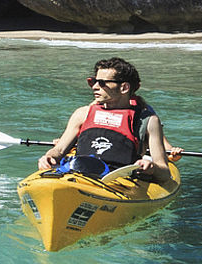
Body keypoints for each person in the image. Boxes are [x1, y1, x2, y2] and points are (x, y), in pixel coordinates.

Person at [37, 56, 169, 179]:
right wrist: (49, 156)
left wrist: (151, 168)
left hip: (118, 180)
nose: (94, 87)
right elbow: (59, 150)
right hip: (78, 173)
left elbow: (164, 172)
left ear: (124, 88)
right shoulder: (82, 114)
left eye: (102, 83)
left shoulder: (147, 121)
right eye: (93, 81)